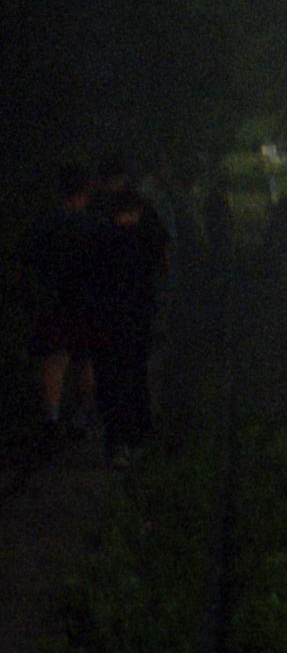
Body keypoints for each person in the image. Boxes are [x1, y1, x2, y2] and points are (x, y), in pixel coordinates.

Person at [81, 155, 169, 467]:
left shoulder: (93, 216)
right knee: (134, 373)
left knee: (110, 378)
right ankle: (139, 437)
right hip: (136, 309)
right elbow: (163, 254)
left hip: (103, 312)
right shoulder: (144, 212)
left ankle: (118, 442)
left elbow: (82, 266)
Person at [18, 164, 96, 452]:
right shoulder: (94, 225)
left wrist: (29, 297)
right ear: (86, 190)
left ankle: (50, 417)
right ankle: (80, 418)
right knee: (85, 361)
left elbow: (24, 263)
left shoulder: (44, 223)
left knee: (54, 360)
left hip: (52, 302)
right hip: (87, 304)